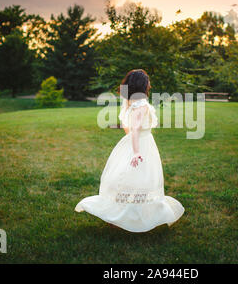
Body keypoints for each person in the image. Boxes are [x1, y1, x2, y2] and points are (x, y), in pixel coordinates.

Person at [75, 69, 184, 232]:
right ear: (142, 85)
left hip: (134, 143)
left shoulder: (130, 102)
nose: (150, 84)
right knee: (140, 179)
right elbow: (134, 130)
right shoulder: (141, 105)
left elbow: (128, 129)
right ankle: (127, 216)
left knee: (127, 179)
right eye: (148, 81)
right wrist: (136, 151)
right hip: (141, 145)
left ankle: (121, 215)